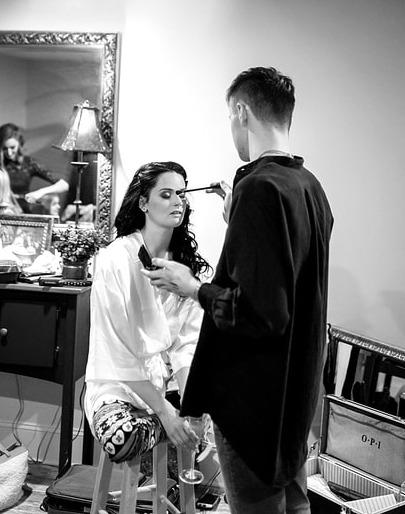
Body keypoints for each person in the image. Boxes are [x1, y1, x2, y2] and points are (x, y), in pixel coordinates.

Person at [146, 67, 333, 514]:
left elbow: (262, 312)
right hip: (294, 396)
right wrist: (240, 221)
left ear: (241, 111)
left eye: (230, 118)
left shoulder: (260, 188)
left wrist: (192, 288)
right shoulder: (308, 188)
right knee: (294, 503)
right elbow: (284, 274)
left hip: (256, 402)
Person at [84, 161, 210, 465]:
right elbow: (117, 354)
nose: (177, 201)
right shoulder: (114, 260)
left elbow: (186, 345)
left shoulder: (183, 270)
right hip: (117, 387)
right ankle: (173, 430)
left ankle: (182, 430)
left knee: (219, 410)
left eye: (181, 194)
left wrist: (191, 407)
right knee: (122, 439)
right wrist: (166, 414)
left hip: (166, 386)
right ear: (143, 202)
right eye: (166, 194)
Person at [0, 123, 68, 214]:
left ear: (19, 144)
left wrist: (40, 192)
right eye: (4, 149)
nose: (9, 153)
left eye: (12, 147)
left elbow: (64, 185)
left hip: (23, 213)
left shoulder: (28, 163)